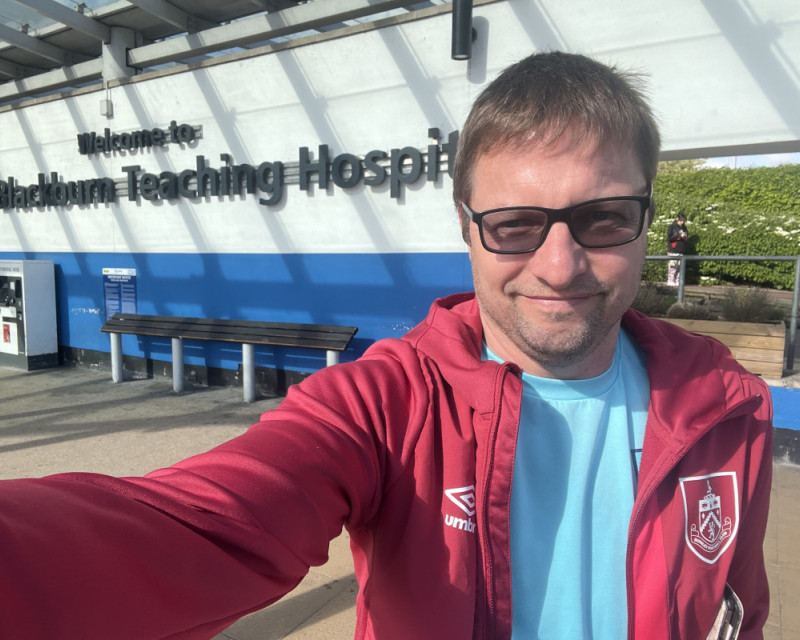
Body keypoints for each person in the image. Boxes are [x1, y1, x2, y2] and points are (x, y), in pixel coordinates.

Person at [0, 52, 772, 640]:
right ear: (466, 227)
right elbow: (196, 525)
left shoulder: (724, 403)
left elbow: (738, 608)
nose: (560, 263)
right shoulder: (385, 404)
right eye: (513, 226)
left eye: (603, 218)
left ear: (646, 219)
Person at [666, 212, 689, 285]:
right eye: (681, 221)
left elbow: (686, 238)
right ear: (677, 219)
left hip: (681, 250)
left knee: (680, 268)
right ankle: (670, 281)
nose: (682, 222)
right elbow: (670, 238)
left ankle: (677, 281)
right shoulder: (672, 227)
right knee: (673, 267)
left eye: (683, 221)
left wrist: (685, 236)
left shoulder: (684, 227)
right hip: (674, 250)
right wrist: (679, 236)